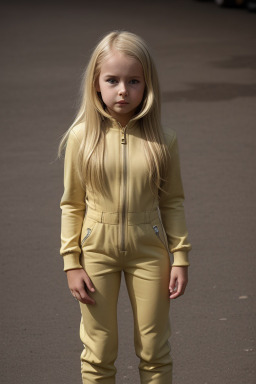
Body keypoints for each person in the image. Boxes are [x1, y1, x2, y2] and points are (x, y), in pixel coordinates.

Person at [59, 30, 191, 384]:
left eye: (134, 81)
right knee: (99, 352)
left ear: (147, 85)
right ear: (96, 83)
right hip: (96, 252)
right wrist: (71, 262)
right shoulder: (80, 137)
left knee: (154, 351)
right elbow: (72, 204)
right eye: (112, 80)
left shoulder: (164, 139)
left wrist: (180, 257)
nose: (123, 90)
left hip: (149, 253)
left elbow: (172, 201)